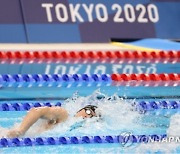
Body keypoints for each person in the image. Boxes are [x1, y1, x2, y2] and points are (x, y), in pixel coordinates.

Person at [7, 105, 98, 138]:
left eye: (91, 117)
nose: (87, 116)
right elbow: (37, 111)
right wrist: (21, 131)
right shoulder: (64, 115)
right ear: (80, 109)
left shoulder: (77, 131)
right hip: (11, 135)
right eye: (88, 111)